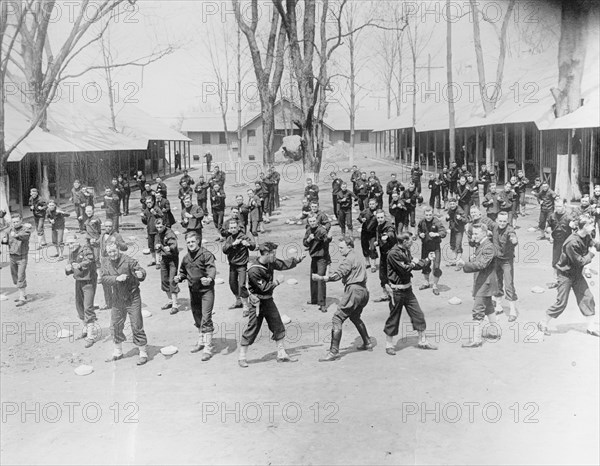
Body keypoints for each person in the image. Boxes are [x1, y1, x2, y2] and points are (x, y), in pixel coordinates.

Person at [237, 242, 305, 368]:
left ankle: (281, 354)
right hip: (257, 303)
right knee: (253, 328)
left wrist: (297, 260)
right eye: (274, 253)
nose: (275, 255)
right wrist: (277, 282)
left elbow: (283, 264)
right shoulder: (254, 270)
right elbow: (264, 288)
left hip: (268, 301)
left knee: (277, 325)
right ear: (267, 254)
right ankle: (242, 357)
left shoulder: (270, 261)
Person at [312, 236, 372, 362]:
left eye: (341, 248)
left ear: (349, 247)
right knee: (355, 317)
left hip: (354, 291)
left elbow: (336, 276)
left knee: (337, 318)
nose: (339, 250)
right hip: (364, 292)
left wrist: (321, 278)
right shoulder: (358, 256)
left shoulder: (348, 259)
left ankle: (333, 352)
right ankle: (367, 342)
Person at [539, 215, 600, 338]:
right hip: (565, 275)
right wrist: (591, 254)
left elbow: (595, 245)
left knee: (587, 298)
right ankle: (543, 323)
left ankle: (591, 327)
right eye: (591, 225)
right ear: (584, 227)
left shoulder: (586, 236)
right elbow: (580, 261)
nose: (594, 227)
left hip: (576, 274)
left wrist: (597, 246)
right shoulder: (572, 242)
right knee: (561, 303)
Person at [384, 232, 438, 354]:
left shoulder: (406, 251)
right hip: (396, 291)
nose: (412, 242)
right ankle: (389, 345)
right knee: (394, 318)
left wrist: (427, 260)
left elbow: (415, 263)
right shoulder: (393, 254)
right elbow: (405, 269)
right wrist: (413, 264)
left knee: (418, 314)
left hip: (408, 290)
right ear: (404, 242)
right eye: (410, 240)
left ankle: (422, 341)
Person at [100, 242, 149, 365]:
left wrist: (141, 274)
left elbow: (140, 270)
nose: (112, 254)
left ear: (118, 250)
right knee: (115, 325)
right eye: (110, 252)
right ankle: (118, 351)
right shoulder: (105, 262)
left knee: (136, 324)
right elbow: (104, 278)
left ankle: (143, 352)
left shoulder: (128, 260)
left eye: (114, 251)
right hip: (117, 298)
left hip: (132, 296)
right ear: (107, 252)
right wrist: (116, 279)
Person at [459, 223, 500, 348]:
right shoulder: (483, 245)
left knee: (478, 310)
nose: (473, 236)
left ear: (484, 233)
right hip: (483, 282)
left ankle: (476, 340)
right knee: (488, 307)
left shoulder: (488, 247)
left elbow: (482, 265)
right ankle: (495, 331)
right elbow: (480, 261)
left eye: (476, 234)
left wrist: (464, 264)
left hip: (485, 283)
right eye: (473, 233)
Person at [66, 238, 98, 347]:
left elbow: (90, 260)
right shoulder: (71, 253)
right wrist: (68, 268)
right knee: (79, 305)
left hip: (89, 281)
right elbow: (70, 266)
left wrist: (80, 265)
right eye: (68, 244)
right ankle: (85, 328)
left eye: (71, 242)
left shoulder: (85, 249)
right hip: (78, 281)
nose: (70, 245)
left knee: (88, 307)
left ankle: (91, 336)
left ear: (77, 241)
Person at [490, 211, 519, 320]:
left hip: (507, 260)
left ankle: (512, 311)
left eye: (504, 221)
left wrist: (514, 240)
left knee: (509, 284)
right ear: (497, 220)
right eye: (500, 221)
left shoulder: (510, 230)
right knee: (497, 282)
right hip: (496, 259)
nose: (502, 223)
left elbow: (513, 237)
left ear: (507, 221)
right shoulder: (494, 227)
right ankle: (498, 306)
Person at [223, 219, 255, 314]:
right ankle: (238, 300)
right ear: (229, 229)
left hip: (242, 265)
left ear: (238, 228)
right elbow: (224, 250)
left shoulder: (243, 236)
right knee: (232, 283)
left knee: (241, 285)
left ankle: (246, 305)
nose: (233, 230)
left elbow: (253, 246)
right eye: (231, 228)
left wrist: (248, 244)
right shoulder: (229, 238)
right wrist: (233, 244)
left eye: (234, 228)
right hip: (232, 265)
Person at [1, 213, 32, 306]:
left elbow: (25, 236)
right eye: (14, 222)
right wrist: (4, 241)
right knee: (15, 277)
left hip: (22, 257)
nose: (15, 223)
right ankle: (24, 294)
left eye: (17, 221)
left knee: (21, 276)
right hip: (12, 256)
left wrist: (17, 235)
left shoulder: (25, 229)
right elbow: (5, 240)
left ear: (21, 220)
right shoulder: (9, 230)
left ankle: (22, 298)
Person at [304, 215, 331, 312]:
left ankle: (322, 303)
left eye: (314, 221)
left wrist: (328, 238)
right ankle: (314, 299)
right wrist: (309, 240)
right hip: (314, 257)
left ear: (317, 221)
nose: (312, 223)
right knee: (313, 279)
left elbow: (326, 238)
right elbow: (304, 243)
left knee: (320, 279)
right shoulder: (308, 230)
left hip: (322, 258)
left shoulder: (321, 230)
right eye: (310, 221)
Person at [99, 219, 127, 310]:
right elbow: (98, 244)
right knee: (105, 282)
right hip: (104, 262)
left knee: (116, 281)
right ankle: (108, 303)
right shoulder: (102, 235)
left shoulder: (117, 235)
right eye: (106, 226)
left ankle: (120, 302)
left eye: (110, 226)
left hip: (113, 262)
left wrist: (117, 242)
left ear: (113, 226)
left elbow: (125, 247)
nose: (108, 228)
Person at [417, 207, 447, 295]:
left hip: (435, 247)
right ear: (424, 215)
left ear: (432, 214)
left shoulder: (436, 222)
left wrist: (436, 234)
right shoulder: (422, 221)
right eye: (427, 215)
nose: (428, 216)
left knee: (436, 266)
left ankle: (435, 286)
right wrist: (420, 234)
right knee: (425, 264)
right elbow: (418, 230)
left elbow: (443, 232)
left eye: (430, 215)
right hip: (425, 246)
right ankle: (426, 282)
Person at [374, 210, 396, 303]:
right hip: (383, 253)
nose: (380, 219)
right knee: (382, 274)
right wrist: (377, 242)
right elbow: (379, 238)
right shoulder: (378, 226)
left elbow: (391, 233)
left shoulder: (389, 225)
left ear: (385, 217)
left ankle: (395, 296)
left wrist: (387, 236)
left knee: (392, 274)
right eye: (378, 218)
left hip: (391, 254)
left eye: (381, 217)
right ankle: (385, 294)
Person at [141, 195, 164, 267]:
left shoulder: (156, 208)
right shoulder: (146, 210)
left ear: (153, 202)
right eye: (147, 203)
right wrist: (143, 218)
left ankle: (158, 262)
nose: (148, 204)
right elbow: (145, 222)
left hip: (157, 231)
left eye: (150, 202)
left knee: (157, 246)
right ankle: (153, 260)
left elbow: (162, 217)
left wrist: (155, 213)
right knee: (151, 246)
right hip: (149, 231)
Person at [357, 198, 379, 271]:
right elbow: (359, 217)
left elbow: (384, 220)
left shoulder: (379, 211)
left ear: (376, 204)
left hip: (373, 232)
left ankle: (373, 265)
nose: (371, 205)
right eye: (370, 204)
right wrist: (361, 219)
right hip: (365, 231)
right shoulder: (365, 211)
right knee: (364, 246)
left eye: (373, 204)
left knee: (372, 248)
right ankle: (367, 263)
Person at [446, 197, 467, 268]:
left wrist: (460, 218)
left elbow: (466, 220)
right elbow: (449, 218)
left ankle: (458, 261)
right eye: (451, 204)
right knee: (452, 244)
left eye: (453, 204)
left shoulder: (460, 210)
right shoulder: (450, 210)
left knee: (458, 245)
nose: (452, 205)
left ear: (456, 203)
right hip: (453, 229)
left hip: (459, 230)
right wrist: (447, 218)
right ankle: (454, 260)